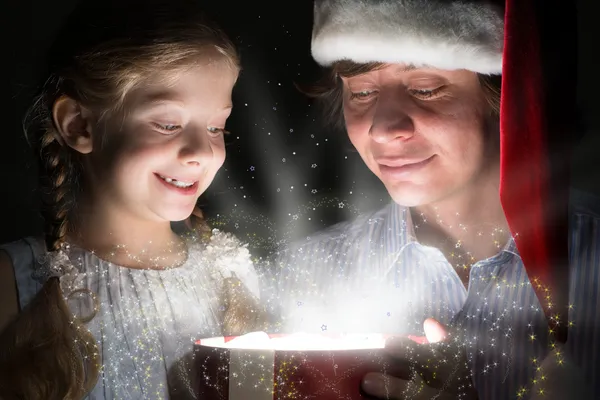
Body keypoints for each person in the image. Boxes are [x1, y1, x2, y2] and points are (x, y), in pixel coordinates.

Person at [266, 0, 598, 399]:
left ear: (510, 96)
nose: (383, 129)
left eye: (426, 88)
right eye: (362, 91)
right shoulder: (300, 278)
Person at [0, 0, 267, 398]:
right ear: (79, 125)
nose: (200, 151)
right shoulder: (13, 282)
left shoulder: (234, 278)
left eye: (216, 127)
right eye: (167, 124)